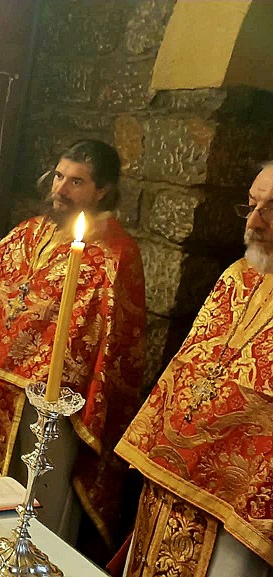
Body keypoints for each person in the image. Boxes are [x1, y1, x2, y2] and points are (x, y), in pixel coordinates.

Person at [0, 140, 146, 552]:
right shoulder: (30, 230)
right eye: (59, 176)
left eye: (76, 182)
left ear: (103, 191)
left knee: (36, 497)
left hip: (50, 402)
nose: (60, 189)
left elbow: (111, 344)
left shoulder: (116, 255)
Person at [115, 163, 273, 577]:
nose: (254, 223)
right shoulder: (236, 278)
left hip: (238, 507)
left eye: (272, 210)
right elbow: (188, 366)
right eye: (252, 206)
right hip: (173, 473)